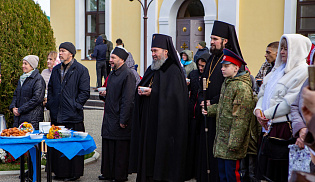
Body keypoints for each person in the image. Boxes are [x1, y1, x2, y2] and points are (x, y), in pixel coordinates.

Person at [129, 34, 189, 182]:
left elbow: (175, 101)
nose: (153, 54)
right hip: (149, 124)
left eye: (155, 51)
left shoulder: (173, 71)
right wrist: (140, 91)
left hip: (165, 129)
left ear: (166, 52)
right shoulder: (152, 68)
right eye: (151, 51)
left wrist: (153, 93)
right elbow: (145, 84)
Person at [254, 34, 311, 181]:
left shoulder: (302, 71)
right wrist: (258, 111)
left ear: (297, 50)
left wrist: (265, 114)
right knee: (265, 171)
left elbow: (289, 102)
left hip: (283, 129)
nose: (282, 52)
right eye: (282, 48)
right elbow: (262, 92)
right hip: (267, 126)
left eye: (287, 49)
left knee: (278, 172)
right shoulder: (276, 70)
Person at [197, 20, 243, 182]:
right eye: (211, 38)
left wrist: (212, 102)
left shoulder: (232, 62)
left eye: (215, 39)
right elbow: (203, 82)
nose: (211, 42)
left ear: (225, 41)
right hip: (207, 113)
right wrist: (203, 99)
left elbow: (229, 90)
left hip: (222, 119)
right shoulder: (211, 59)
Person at [202, 48, 255, 182]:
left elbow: (241, 118)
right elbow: (224, 107)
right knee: (223, 175)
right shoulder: (228, 83)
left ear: (236, 68)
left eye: (227, 66)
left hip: (232, 143)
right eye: (222, 66)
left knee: (232, 175)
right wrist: (210, 110)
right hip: (223, 140)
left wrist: (234, 143)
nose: (222, 69)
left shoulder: (241, 87)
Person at [46, 42, 90, 181]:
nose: (60, 53)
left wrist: (75, 105)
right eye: (59, 50)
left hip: (73, 115)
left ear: (71, 53)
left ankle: (74, 173)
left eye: (63, 51)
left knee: (73, 145)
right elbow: (51, 88)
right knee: (59, 144)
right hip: (57, 114)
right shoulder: (56, 69)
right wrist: (52, 105)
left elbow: (85, 92)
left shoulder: (81, 69)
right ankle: (60, 172)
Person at [98, 47, 136, 181]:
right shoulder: (113, 73)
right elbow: (111, 93)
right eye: (111, 57)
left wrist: (123, 119)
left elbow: (128, 99)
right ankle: (108, 173)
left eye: (113, 58)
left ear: (122, 59)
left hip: (119, 116)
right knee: (109, 146)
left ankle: (119, 175)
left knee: (120, 149)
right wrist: (103, 95)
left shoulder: (128, 74)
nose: (110, 60)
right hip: (109, 115)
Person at [187, 52, 210, 179]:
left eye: (203, 66)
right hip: (192, 114)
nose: (200, 68)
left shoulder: (209, 76)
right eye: (199, 65)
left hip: (202, 116)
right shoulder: (193, 74)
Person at [10, 55, 45, 129]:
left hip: (32, 119)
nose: (23, 66)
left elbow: (37, 99)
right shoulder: (22, 78)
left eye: (25, 64)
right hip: (19, 117)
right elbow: (16, 94)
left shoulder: (38, 79)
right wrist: (13, 107)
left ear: (32, 65)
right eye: (23, 63)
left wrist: (20, 110)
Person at [41, 51, 58, 122]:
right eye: (47, 59)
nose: (48, 61)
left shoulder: (59, 73)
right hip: (45, 105)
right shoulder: (44, 72)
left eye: (51, 59)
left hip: (55, 105)